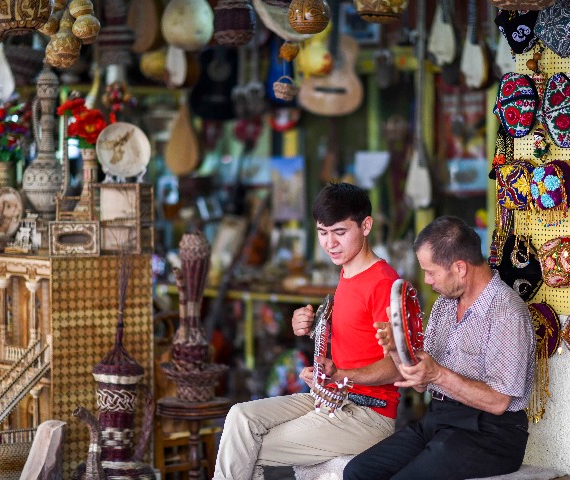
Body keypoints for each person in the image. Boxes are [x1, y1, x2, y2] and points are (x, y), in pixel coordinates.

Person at [213, 182, 403, 480]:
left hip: (368, 414)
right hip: (332, 398)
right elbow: (357, 335)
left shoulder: (383, 283)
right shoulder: (348, 272)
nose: (330, 244)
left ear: (366, 226)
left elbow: (398, 368)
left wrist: (339, 375)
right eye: (322, 233)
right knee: (240, 416)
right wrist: (312, 325)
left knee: (248, 446)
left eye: (340, 232)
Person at [344, 215, 535, 480]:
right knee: (358, 472)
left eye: (431, 272)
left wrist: (437, 374)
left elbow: (499, 401)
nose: (428, 280)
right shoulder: (445, 305)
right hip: (440, 418)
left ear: (460, 268)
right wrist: (397, 349)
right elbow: (422, 382)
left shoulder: (507, 311)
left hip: (492, 433)